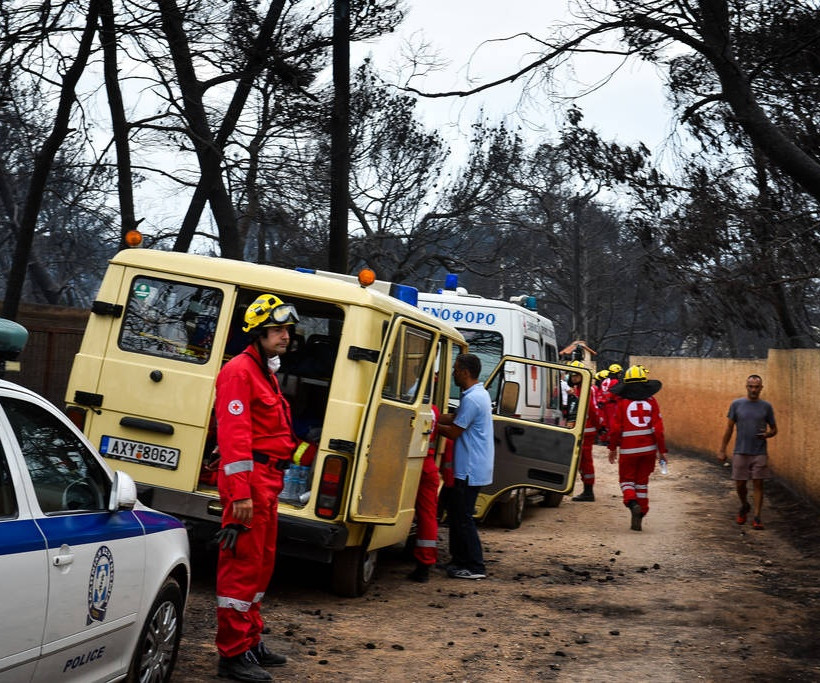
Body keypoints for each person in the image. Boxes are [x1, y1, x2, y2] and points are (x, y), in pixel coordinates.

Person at [213, 293, 299, 682]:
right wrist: (240, 494)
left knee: (260, 567)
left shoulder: (264, 371)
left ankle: (249, 641)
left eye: (287, 330)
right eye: (277, 330)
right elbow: (235, 437)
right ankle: (232, 654)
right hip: (251, 486)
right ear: (258, 333)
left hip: (267, 483)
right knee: (242, 568)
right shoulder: (240, 372)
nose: (286, 336)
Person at [437, 353, 494, 580]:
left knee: (463, 518)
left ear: (465, 372)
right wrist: (433, 415)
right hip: (472, 466)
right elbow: (455, 417)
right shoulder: (477, 394)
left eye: (456, 370)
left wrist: (430, 424)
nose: (453, 374)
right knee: (457, 514)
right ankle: (459, 560)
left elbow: (454, 431)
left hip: (470, 468)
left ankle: (475, 566)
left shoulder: (473, 399)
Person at [607, 365, 667, 531]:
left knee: (626, 481)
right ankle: (642, 512)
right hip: (648, 450)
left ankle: (632, 503)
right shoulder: (652, 402)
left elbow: (615, 430)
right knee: (642, 482)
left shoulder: (622, 403)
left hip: (628, 450)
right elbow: (658, 430)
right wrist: (662, 451)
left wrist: (612, 448)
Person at [718, 374, 777, 530]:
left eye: (756, 387)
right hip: (741, 451)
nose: (753, 390)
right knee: (740, 484)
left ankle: (757, 517)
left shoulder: (766, 407)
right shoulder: (737, 404)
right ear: (746, 387)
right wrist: (722, 449)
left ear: (761, 388)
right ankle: (744, 505)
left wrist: (767, 434)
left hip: (759, 452)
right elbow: (729, 428)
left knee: (758, 483)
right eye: (751, 386)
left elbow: (774, 429)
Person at [407, 403, 442, 583]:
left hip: (410, 463)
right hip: (427, 465)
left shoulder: (411, 404)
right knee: (427, 516)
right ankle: (424, 564)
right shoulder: (433, 409)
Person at [565, 361, 605, 502]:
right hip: (579, 430)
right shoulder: (578, 389)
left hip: (586, 431)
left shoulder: (587, 389)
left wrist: (600, 427)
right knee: (580, 461)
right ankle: (584, 489)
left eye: (577, 375)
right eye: (572, 375)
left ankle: (588, 491)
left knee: (585, 461)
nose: (574, 377)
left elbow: (593, 410)